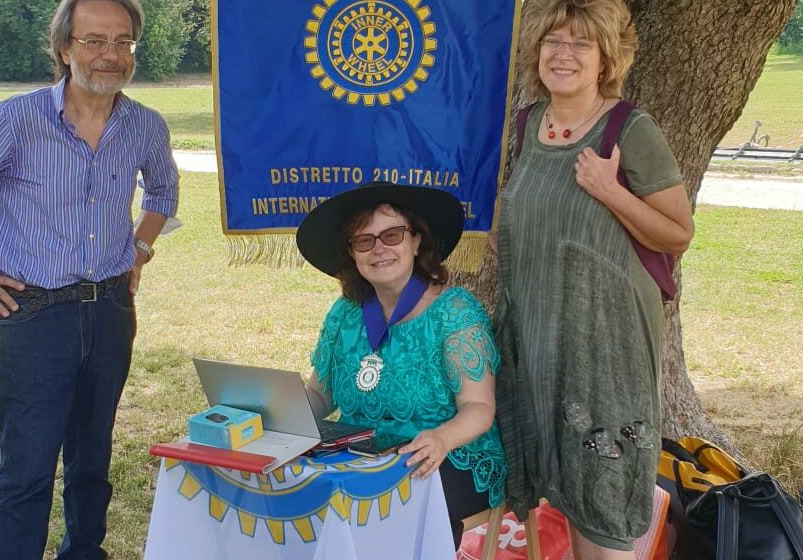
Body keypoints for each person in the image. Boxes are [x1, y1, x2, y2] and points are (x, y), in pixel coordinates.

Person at [0, 0, 179, 557]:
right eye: (94, 40)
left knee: (92, 462)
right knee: (27, 472)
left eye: (123, 42)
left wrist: (140, 247)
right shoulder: (17, 119)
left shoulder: (145, 126)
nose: (111, 54)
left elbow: (164, 191)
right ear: (65, 49)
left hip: (110, 311)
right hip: (33, 315)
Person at [494, 0, 694, 558]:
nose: (564, 54)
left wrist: (611, 191)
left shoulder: (630, 128)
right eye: (553, 41)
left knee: (601, 500)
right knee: (554, 480)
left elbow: (677, 234)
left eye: (581, 43)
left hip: (606, 348)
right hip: (536, 340)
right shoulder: (525, 123)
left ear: (606, 58)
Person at [296, 181, 507, 548]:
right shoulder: (344, 315)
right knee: (297, 489)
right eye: (365, 241)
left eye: (391, 235)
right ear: (353, 254)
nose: (379, 249)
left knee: (391, 505)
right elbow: (320, 395)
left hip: (445, 454)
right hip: (363, 453)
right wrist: (277, 408)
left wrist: (441, 439)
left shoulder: (454, 313)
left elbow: (479, 408)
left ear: (415, 241)